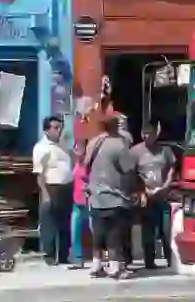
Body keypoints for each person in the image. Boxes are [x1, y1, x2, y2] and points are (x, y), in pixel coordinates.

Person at [86, 114, 138, 279]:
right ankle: (115, 267)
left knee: (98, 232)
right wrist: (133, 191)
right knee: (114, 233)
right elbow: (128, 171)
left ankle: (96, 265)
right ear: (116, 126)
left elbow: (85, 163)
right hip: (114, 196)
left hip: (95, 195)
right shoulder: (119, 145)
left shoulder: (94, 142)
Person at [131, 124, 175, 269]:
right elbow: (131, 174)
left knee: (166, 230)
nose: (146, 137)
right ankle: (149, 262)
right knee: (148, 231)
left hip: (163, 196)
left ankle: (170, 261)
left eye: (149, 134)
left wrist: (167, 184)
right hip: (147, 197)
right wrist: (141, 191)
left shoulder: (165, 150)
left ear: (155, 134)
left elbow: (172, 168)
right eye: (144, 134)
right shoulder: (136, 152)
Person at [33, 116, 73, 265]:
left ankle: (63, 255)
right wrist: (45, 193)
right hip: (51, 187)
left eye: (60, 127)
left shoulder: (63, 145)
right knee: (49, 223)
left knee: (65, 223)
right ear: (46, 130)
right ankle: (49, 256)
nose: (59, 130)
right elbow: (39, 174)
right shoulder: (41, 148)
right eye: (55, 128)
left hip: (66, 187)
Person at [68, 140, 92, 269]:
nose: (79, 151)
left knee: (93, 231)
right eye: (76, 148)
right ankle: (78, 259)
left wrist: (88, 186)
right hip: (76, 201)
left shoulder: (89, 164)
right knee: (75, 231)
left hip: (88, 201)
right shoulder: (75, 163)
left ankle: (104, 256)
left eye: (81, 148)